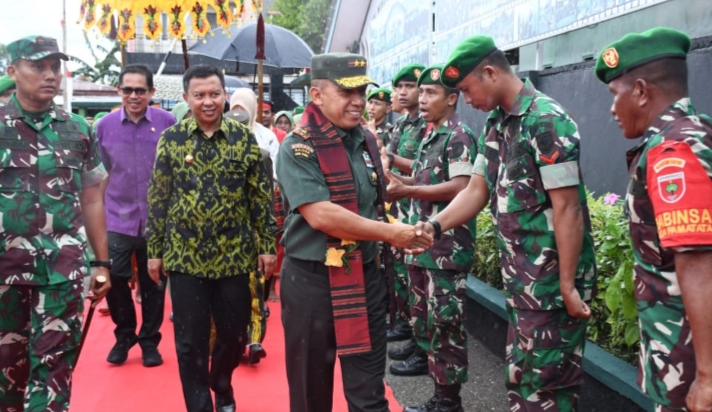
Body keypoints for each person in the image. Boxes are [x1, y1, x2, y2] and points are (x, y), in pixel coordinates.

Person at [414, 35, 597, 410]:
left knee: (548, 387)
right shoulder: (498, 123)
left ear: (491, 72)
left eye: (466, 89)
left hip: (549, 287)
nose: (465, 100)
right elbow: (476, 189)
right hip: (523, 284)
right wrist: (433, 228)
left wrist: (566, 285)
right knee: (522, 379)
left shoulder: (545, 120)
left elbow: (568, 209)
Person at [276, 52, 433, 412]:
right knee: (310, 394)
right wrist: (391, 235)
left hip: (365, 278)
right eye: (347, 93)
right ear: (316, 96)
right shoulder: (298, 145)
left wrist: (403, 229)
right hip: (312, 283)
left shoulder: (364, 139)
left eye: (362, 91)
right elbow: (321, 215)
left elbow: (372, 208)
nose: (359, 101)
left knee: (369, 394)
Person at [146, 65, 277, 412]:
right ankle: (201, 405)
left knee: (235, 335)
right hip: (184, 255)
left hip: (234, 255)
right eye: (200, 95)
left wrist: (267, 245)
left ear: (225, 96)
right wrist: (154, 251)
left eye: (214, 94)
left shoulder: (243, 139)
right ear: (187, 98)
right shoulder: (172, 141)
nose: (208, 102)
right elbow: (158, 198)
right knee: (190, 342)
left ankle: (221, 380)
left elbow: (260, 198)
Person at [595, 27, 712, 412]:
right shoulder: (698, 133)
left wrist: (707, 378)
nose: (612, 110)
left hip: (688, 357)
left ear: (642, 91)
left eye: (616, 96)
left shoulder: (673, 153)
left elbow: (698, 262)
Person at [0, 35, 111, 412]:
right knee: (6, 369)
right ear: (12, 71)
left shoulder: (77, 128)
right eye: (38, 66)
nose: (50, 75)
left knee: (53, 364)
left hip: (61, 268)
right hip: (4, 270)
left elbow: (93, 197)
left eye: (55, 67)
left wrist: (101, 262)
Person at [384, 64, 477, 411]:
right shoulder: (429, 133)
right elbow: (421, 178)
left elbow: (461, 186)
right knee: (427, 322)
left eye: (430, 93)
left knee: (446, 325)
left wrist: (410, 189)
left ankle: (449, 403)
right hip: (423, 245)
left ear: (452, 98)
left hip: (446, 249)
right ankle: (440, 397)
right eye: (420, 92)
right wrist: (393, 179)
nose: (422, 99)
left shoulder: (459, 135)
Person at [96, 64, 176, 367]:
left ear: (151, 92)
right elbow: (99, 174)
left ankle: (149, 341)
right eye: (127, 89)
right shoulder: (103, 127)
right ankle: (124, 333)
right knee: (113, 278)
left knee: (155, 282)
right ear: (118, 90)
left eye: (140, 90)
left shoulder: (168, 122)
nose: (133, 95)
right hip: (116, 217)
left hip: (158, 220)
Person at [225, 93, 279, 364]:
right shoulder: (212, 148)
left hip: (252, 232)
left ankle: (254, 339)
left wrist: (267, 240)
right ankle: (232, 340)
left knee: (254, 288)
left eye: (242, 111)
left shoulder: (264, 148)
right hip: (221, 237)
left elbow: (268, 195)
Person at [386, 63, 428, 343]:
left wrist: (391, 160)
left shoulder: (427, 123)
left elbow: (426, 168)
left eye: (409, 87)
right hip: (399, 207)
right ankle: (405, 323)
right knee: (401, 273)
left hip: (418, 207)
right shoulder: (402, 123)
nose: (402, 92)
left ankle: (418, 337)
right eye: (398, 87)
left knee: (417, 278)